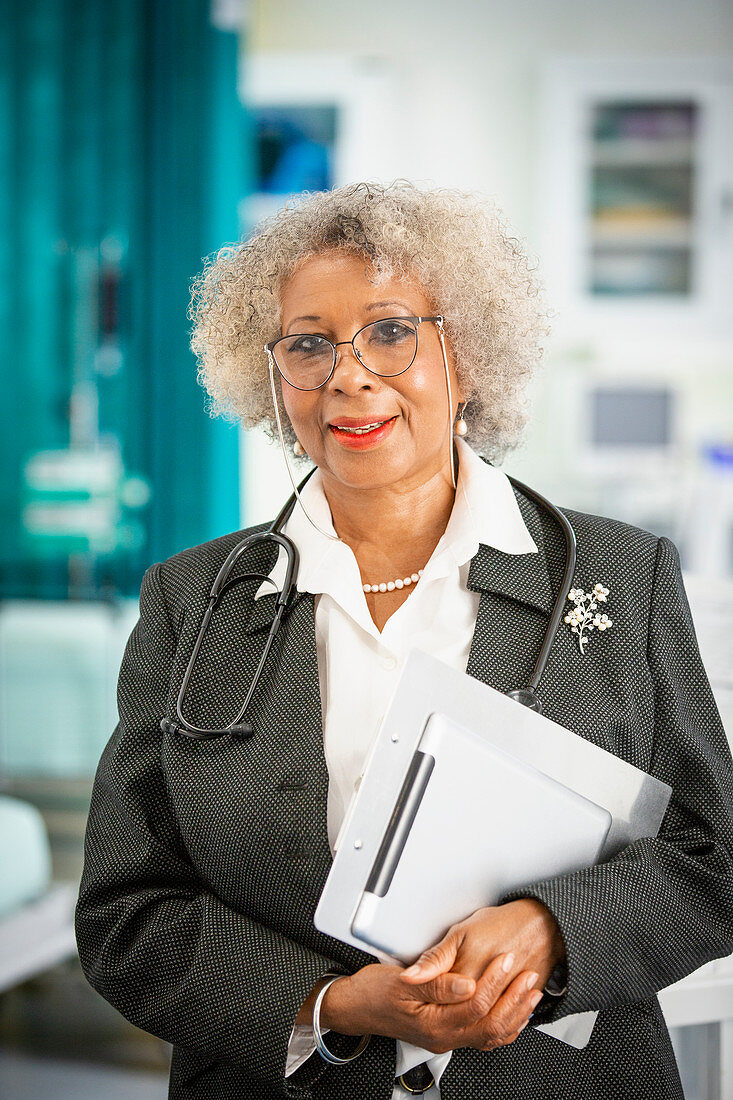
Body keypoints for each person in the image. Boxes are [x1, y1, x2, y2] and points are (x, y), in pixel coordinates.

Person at [75, 180, 733, 1099]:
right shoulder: (193, 602)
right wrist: (336, 1002)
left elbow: (717, 855)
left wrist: (554, 928)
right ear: (271, 376)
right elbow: (125, 915)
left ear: (463, 351)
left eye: (389, 331)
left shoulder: (621, 577)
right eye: (309, 344)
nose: (348, 373)